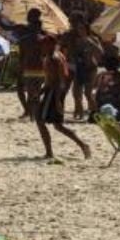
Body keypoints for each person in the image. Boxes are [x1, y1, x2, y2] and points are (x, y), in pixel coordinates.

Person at [33, 27, 91, 162]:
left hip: (53, 93)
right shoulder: (53, 56)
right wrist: (41, 92)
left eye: (44, 44)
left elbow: (59, 81)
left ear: (51, 45)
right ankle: (82, 145)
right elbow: (51, 80)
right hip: (51, 92)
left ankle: (50, 152)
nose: (42, 47)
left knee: (41, 121)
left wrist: (58, 100)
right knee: (57, 125)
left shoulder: (54, 58)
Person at [66, 18, 103, 120]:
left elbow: (100, 52)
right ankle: (79, 111)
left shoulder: (93, 39)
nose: (80, 30)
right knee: (76, 92)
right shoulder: (75, 40)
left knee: (88, 93)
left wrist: (89, 42)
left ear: (87, 29)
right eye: (79, 28)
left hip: (90, 68)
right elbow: (70, 53)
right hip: (78, 67)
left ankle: (95, 113)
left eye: (82, 28)